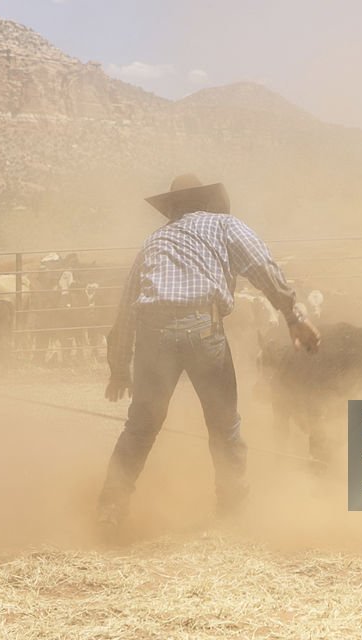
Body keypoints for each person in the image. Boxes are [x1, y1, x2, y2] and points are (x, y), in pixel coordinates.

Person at [97, 174, 321, 526]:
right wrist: (293, 315)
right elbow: (262, 266)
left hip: (153, 336)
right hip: (202, 329)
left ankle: (110, 509)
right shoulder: (224, 226)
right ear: (208, 202)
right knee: (223, 425)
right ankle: (231, 508)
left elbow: (127, 310)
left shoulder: (154, 241)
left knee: (140, 427)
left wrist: (119, 367)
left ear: (172, 208)